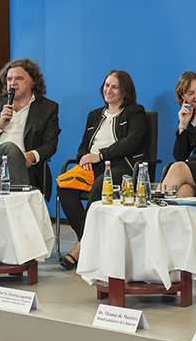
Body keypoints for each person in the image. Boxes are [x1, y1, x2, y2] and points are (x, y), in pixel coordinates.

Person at [57, 70, 146, 270]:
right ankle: (88, 240)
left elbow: (131, 142)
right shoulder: (94, 115)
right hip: (94, 165)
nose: (109, 90)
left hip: (122, 166)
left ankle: (81, 247)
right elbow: (84, 145)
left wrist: (100, 155)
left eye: (115, 87)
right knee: (65, 186)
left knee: (101, 186)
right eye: (107, 85)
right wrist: (83, 158)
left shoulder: (135, 111)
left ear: (125, 91)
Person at [0, 58, 60, 200]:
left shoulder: (47, 108)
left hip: (22, 165)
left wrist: (31, 156)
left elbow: (50, 144)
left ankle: (13, 209)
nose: (12, 83)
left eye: (19, 78)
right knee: (9, 148)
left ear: (32, 82)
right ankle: (26, 205)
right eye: (9, 79)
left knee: (0, 174)